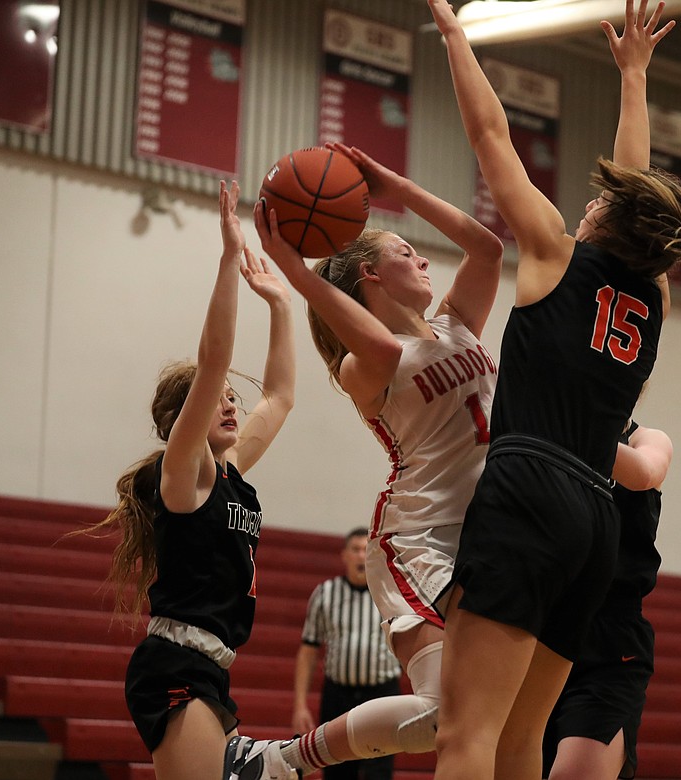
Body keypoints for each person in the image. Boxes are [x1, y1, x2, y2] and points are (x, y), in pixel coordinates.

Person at [425, 0, 681, 778]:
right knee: (519, 743)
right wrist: (634, 80)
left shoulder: (553, 251)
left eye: (600, 197)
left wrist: (453, 33)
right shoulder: (654, 297)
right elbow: (635, 181)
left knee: (465, 737)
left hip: (527, 489)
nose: (587, 198)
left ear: (608, 215)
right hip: (594, 526)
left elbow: (489, 136)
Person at [224, 143, 504, 780]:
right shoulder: (363, 365)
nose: (422, 256)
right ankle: (282, 762)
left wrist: (396, 185)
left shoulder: (456, 325)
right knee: (443, 717)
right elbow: (378, 340)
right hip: (419, 538)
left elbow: (486, 248)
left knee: (489, 714)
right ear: (369, 279)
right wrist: (299, 274)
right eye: (404, 252)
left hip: (487, 535)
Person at [77, 181, 296, 780]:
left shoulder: (229, 474)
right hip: (176, 663)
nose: (230, 405)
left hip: (211, 668)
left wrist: (280, 304)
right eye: (215, 399)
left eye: (231, 399)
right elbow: (216, 357)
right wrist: (229, 260)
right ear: (182, 423)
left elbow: (278, 397)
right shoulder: (187, 474)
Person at [543, 421, 673, 780]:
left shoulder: (646, 439)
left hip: (610, 641)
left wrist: (558, 418)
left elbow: (645, 472)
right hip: (540, 628)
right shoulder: (542, 427)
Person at [294, 528, 402, 780]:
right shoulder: (325, 593)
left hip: (381, 694)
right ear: (344, 555)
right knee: (337, 771)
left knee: (379, 771)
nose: (360, 555)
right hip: (337, 695)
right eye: (355, 549)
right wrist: (300, 705)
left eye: (366, 549)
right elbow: (309, 651)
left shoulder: (389, 592)